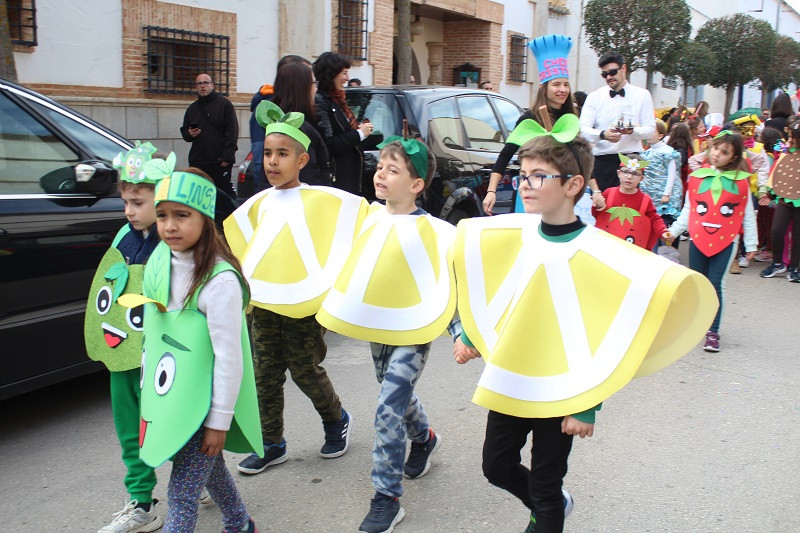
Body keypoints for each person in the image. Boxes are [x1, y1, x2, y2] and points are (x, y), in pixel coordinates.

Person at [450, 114, 717, 533]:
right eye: (523, 174)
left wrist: (588, 403)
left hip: (566, 387)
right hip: (513, 374)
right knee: (496, 466)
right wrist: (472, 333)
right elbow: (502, 290)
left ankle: (548, 509)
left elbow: (611, 324)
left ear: (573, 185)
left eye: (539, 176)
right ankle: (552, 503)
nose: (525, 183)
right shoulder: (517, 234)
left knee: (545, 480)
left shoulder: (599, 251)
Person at [316, 134, 459, 533]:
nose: (380, 173)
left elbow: (445, 283)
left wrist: (460, 331)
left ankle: (386, 497)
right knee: (395, 392)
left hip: (416, 328)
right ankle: (425, 437)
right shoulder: (368, 218)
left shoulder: (435, 231)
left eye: (392, 169)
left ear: (416, 185)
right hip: (378, 324)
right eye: (380, 166)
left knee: (387, 406)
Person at [224, 101, 363, 476]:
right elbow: (239, 241)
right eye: (268, 153)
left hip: (304, 304)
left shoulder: (322, 200)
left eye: (282, 154)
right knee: (265, 372)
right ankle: (272, 443)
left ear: (301, 160)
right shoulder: (257, 204)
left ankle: (336, 419)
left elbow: (358, 221)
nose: (272, 162)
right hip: (264, 303)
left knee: (304, 368)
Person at [124, 162, 262, 533]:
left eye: (182, 216)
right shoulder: (159, 262)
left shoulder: (219, 281)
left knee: (182, 496)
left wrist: (219, 420)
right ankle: (239, 523)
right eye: (163, 215)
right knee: (208, 469)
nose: (169, 225)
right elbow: (155, 335)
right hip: (172, 398)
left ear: (205, 218)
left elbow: (229, 356)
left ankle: (236, 523)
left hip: (203, 403)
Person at [89, 142, 163, 533]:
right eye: (125, 201)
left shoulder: (172, 239)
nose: (129, 210)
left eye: (138, 202)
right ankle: (141, 504)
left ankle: (200, 481)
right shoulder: (124, 237)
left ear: (159, 197)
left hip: (163, 356)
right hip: (123, 352)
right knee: (129, 426)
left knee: (180, 428)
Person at [668, 131, 757, 352]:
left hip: (726, 241)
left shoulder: (742, 184)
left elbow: (747, 216)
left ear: (734, 158)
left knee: (716, 284)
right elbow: (689, 210)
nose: (717, 153)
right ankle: (696, 325)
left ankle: (713, 331)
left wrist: (752, 245)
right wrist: (673, 231)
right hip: (698, 238)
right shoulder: (697, 178)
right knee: (698, 284)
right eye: (716, 147)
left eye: (724, 152)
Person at [484, 34, 587, 215]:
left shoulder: (571, 120)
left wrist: (595, 191)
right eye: (556, 84)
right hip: (531, 194)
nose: (562, 90)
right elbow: (504, 156)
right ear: (543, 87)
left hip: (561, 195)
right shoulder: (528, 120)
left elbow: (580, 159)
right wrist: (491, 191)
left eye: (566, 84)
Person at [580, 52, 656, 191]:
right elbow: (583, 129)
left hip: (632, 159)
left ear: (624, 69)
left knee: (630, 208)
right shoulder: (594, 97)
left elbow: (650, 130)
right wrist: (603, 134)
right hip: (603, 161)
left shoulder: (642, 95)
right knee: (604, 207)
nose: (609, 77)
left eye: (612, 72)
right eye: (604, 74)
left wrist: (633, 131)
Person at [313, 51, 374, 196]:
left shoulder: (338, 100)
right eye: (344, 73)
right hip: (338, 181)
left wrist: (358, 131)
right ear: (331, 74)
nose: (347, 78)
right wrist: (359, 134)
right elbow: (329, 143)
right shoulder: (321, 101)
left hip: (349, 179)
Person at [249, 54, 311, 193]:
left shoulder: (307, 116)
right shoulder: (269, 113)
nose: (273, 160)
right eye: (310, 82)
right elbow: (259, 149)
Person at [268, 62, 332, 186]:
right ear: (302, 88)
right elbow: (308, 175)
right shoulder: (295, 129)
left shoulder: (281, 123)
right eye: (314, 83)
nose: (316, 88)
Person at [179, 73, 239, 199]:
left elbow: (232, 131)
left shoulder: (224, 105)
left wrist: (227, 156)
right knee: (198, 197)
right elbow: (185, 132)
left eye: (206, 83)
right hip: (198, 161)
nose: (203, 86)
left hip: (219, 161)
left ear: (212, 85)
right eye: (199, 83)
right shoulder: (192, 108)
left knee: (225, 196)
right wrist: (190, 134)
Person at [592, 154, 669, 250]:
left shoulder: (644, 200)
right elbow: (598, 216)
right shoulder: (609, 193)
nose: (629, 177)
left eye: (635, 174)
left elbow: (654, 219)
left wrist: (663, 231)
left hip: (632, 248)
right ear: (618, 173)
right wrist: (598, 206)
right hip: (608, 246)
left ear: (641, 178)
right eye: (625, 172)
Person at [759, 120, 800, 282]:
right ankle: (777, 263)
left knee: (798, 234)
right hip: (784, 198)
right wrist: (769, 193)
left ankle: (794, 267)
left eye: (792, 137)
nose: (789, 140)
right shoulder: (785, 153)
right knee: (776, 230)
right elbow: (777, 174)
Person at [641, 120, 683, 248]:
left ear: (660, 135)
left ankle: (665, 249)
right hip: (650, 193)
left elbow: (672, 175)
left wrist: (666, 194)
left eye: (652, 131)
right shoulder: (646, 153)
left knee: (663, 224)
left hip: (664, 195)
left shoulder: (668, 152)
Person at [753, 127, 784, 262]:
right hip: (768, 194)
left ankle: (769, 250)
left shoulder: (769, 157)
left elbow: (767, 176)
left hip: (768, 194)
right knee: (764, 221)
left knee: (767, 222)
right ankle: (766, 248)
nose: (757, 138)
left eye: (760, 136)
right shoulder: (772, 155)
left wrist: (764, 192)